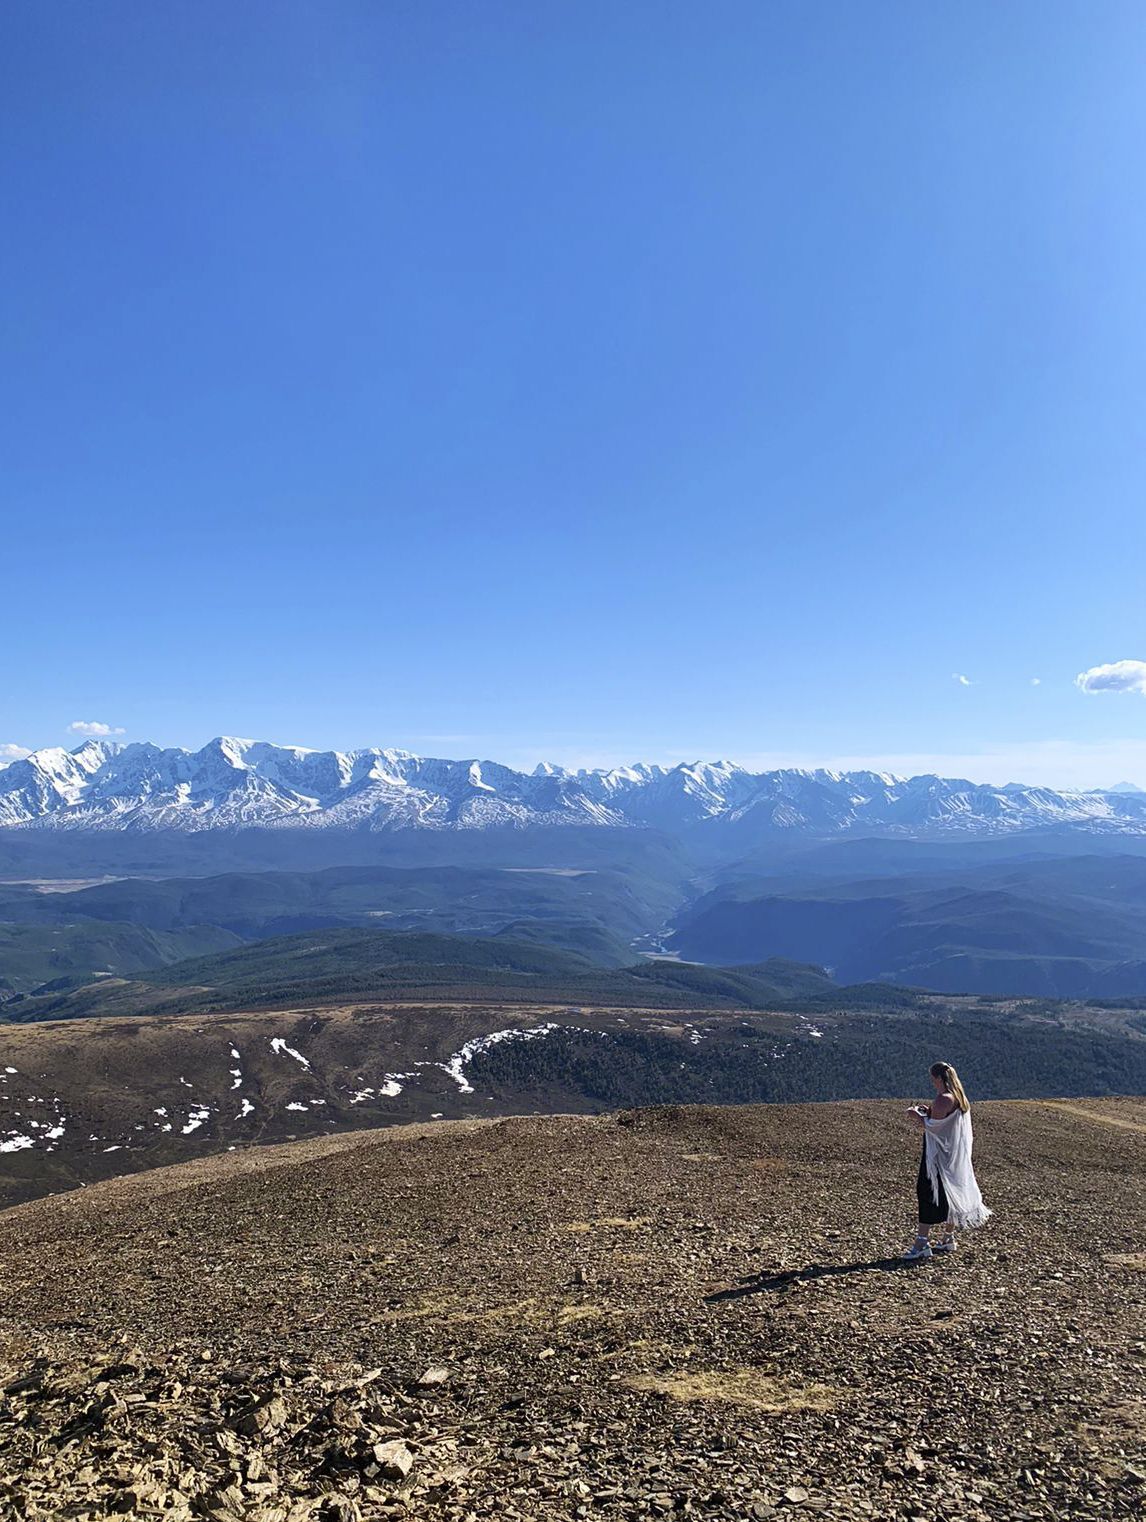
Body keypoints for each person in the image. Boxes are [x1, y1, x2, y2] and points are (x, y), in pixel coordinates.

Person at [902, 1061, 991, 1262]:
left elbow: (934, 1127)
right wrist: (930, 1111)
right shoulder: (959, 1098)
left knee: (927, 1192)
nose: (932, 1083)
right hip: (953, 1156)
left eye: (933, 1079)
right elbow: (945, 1121)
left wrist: (916, 1115)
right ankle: (948, 1237)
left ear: (938, 1078)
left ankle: (921, 1243)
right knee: (951, 1191)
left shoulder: (943, 1099)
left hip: (937, 1156)